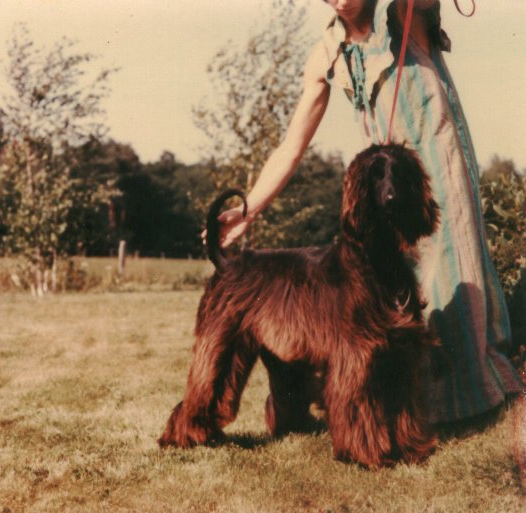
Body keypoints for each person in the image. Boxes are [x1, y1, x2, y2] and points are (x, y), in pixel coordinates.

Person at [212, 0, 520, 424]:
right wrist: (249, 209)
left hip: (437, 174)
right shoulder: (326, 53)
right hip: (382, 187)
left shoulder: (402, 14)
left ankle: (471, 400)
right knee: (384, 300)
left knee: (453, 279)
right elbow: (292, 145)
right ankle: (405, 406)